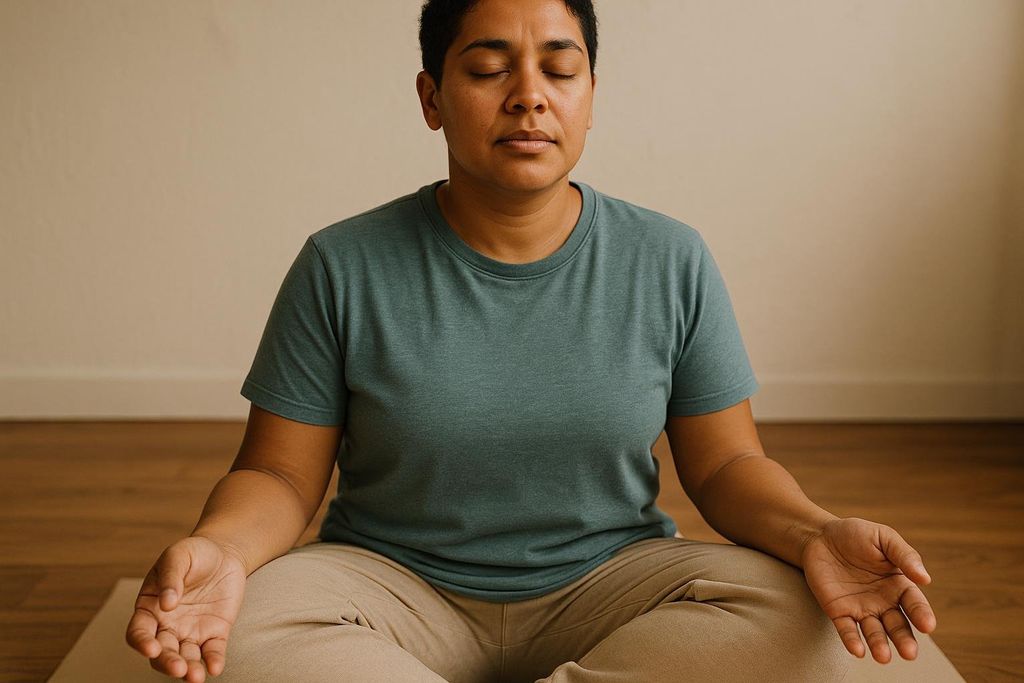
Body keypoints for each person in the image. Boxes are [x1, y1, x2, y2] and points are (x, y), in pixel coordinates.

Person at [125, 1, 937, 681]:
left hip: (611, 583)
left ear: (591, 92)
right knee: (253, 629)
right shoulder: (342, 262)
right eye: (487, 69)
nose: (528, 96)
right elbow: (276, 472)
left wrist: (813, 530)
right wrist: (222, 549)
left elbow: (726, 466)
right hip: (391, 584)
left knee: (803, 619)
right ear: (431, 96)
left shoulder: (670, 257)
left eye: (559, 68)